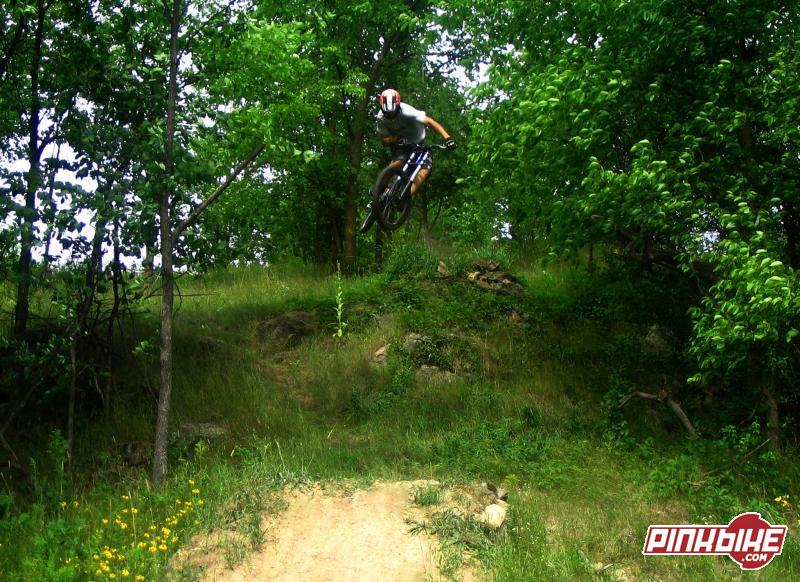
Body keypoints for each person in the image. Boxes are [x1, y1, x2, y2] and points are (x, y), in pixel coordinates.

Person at [376, 88, 456, 198]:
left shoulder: (407, 111)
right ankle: (380, 185)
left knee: (426, 166)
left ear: (398, 107)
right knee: (400, 160)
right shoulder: (380, 118)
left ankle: (406, 197)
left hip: (418, 141)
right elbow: (384, 140)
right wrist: (395, 139)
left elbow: (429, 121)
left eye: (393, 114)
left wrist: (447, 138)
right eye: (387, 114)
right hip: (401, 142)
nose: (390, 117)